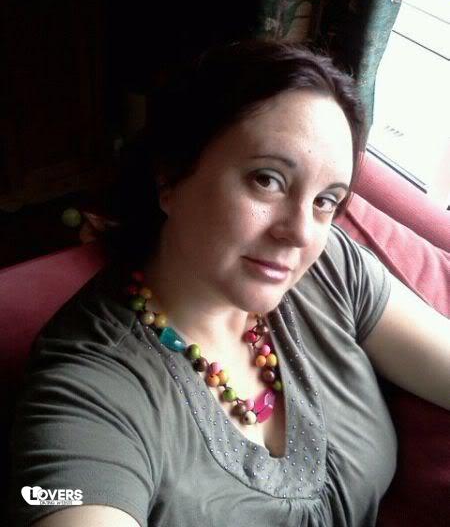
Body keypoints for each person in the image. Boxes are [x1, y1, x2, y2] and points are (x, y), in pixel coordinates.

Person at [7, 41, 449, 527]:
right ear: (171, 176)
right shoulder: (91, 389)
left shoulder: (330, 268)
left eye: (326, 200)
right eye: (267, 180)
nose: (301, 233)